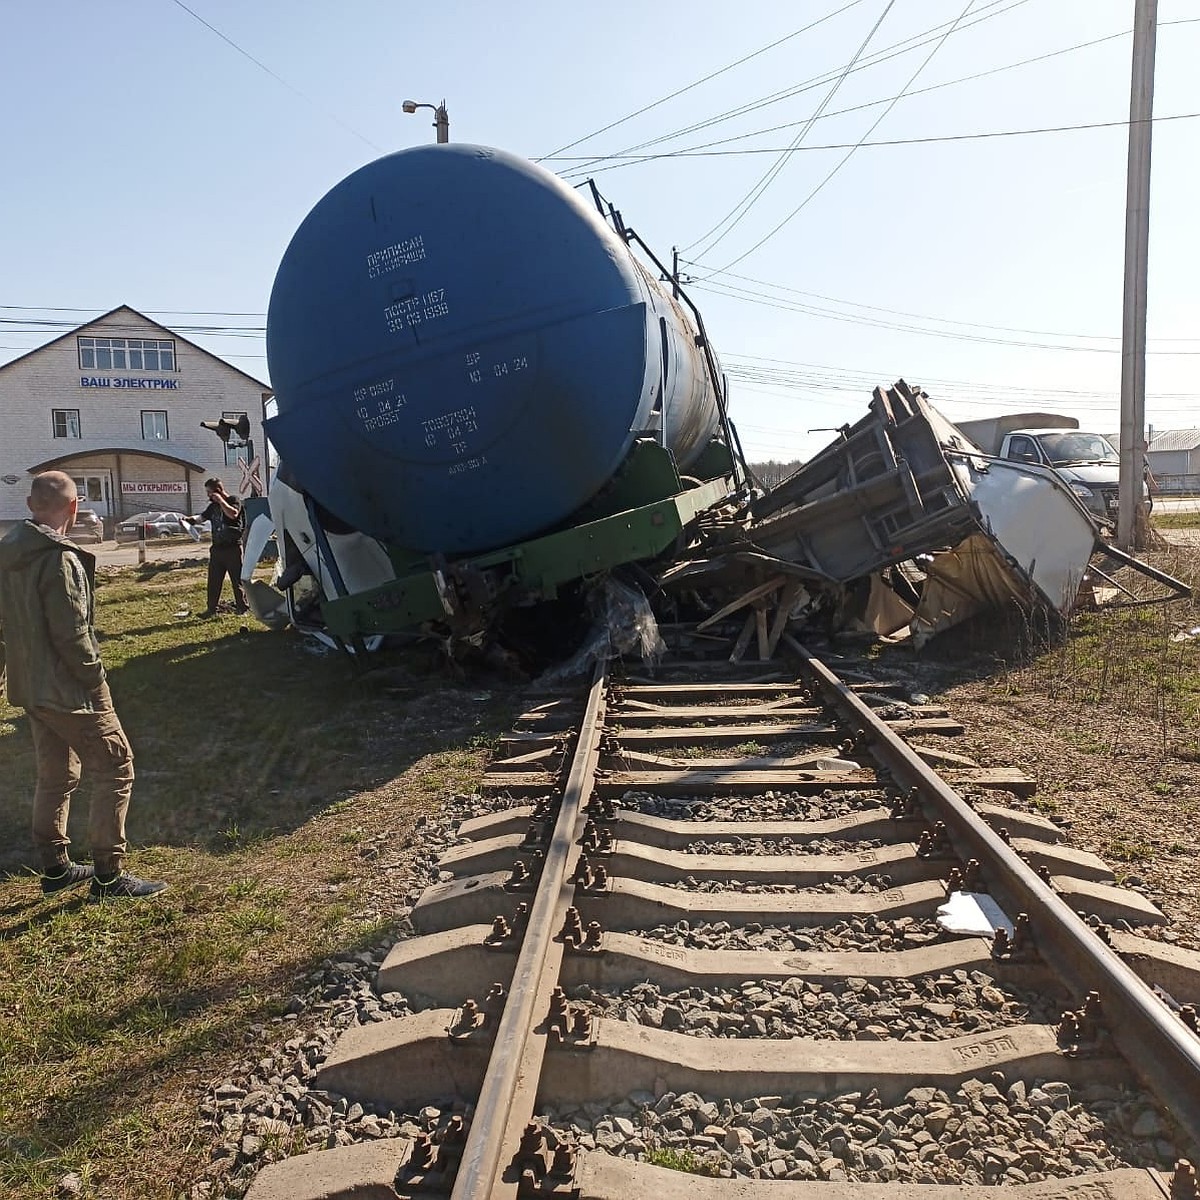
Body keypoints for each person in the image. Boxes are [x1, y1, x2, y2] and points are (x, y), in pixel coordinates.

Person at [0, 471, 167, 900]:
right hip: (68, 688)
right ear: (73, 509)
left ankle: (55, 867)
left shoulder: (9, 553)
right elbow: (72, 635)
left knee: (56, 772)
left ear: (31, 506)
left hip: (31, 687)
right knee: (116, 765)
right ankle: (108, 875)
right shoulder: (59, 558)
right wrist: (95, 678)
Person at [191, 477, 247, 617]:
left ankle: (242, 607)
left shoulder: (233, 501)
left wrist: (221, 501)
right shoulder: (212, 507)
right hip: (217, 549)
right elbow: (202, 518)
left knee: (237, 580)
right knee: (214, 581)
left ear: (218, 490)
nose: (208, 496)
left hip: (232, 548)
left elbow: (233, 515)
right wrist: (189, 520)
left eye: (210, 493)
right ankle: (211, 609)